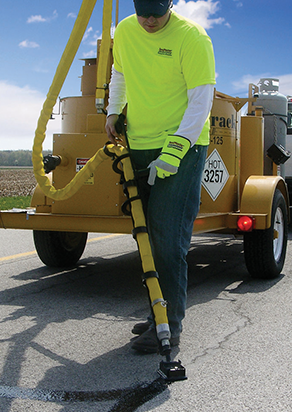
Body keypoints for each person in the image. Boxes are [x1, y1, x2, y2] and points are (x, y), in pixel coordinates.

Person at [105, 0, 216, 353]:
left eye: (157, 12)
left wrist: (176, 148)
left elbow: (201, 100)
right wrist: (112, 111)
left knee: (168, 239)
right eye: (143, 13)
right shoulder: (124, 31)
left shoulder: (193, 38)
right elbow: (119, 74)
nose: (150, 21)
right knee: (147, 236)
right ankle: (158, 313)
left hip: (183, 147)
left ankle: (171, 326)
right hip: (139, 144)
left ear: (170, 4)